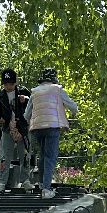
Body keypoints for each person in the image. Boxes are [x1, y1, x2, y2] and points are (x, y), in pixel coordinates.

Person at [27, 67, 78, 198]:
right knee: (50, 157)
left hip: (37, 128)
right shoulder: (58, 89)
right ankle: (46, 189)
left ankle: (41, 183)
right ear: (54, 78)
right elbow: (73, 107)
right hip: (52, 127)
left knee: (43, 156)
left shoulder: (34, 92)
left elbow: (26, 114)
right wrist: (74, 112)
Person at [0, 68, 32, 191]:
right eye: (5, 84)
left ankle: (25, 180)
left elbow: (33, 104)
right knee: (4, 156)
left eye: (11, 84)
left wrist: (25, 99)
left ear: (15, 83)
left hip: (23, 128)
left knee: (24, 155)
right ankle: (1, 182)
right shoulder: (0, 96)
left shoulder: (23, 92)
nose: (8, 86)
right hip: (7, 129)